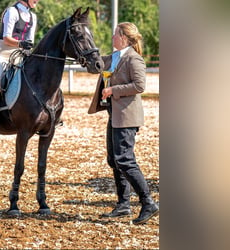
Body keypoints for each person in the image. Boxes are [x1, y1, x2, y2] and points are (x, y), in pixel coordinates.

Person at [88, 22, 159, 225]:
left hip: (127, 117)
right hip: (115, 115)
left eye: (115, 35)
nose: (112, 38)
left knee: (125, 159)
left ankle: (148, 203)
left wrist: (113, 90)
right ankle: (123, 205)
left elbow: (139, 85)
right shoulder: (114, 57)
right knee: (114, 159)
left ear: (125, 38)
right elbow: (95, 65)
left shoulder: (134, 59)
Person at [0, 0, 40, 137]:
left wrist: (28, 49)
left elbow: (29, 42)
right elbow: (6, 38)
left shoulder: (33, 16)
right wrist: (21, 43)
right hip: (2, 53)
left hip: (20, 54)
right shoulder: (12, 12)